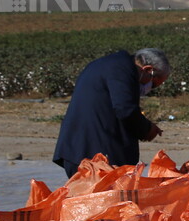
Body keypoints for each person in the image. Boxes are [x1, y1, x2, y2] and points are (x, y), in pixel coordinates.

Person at [52, 48, 170, 178]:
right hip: (92, 154)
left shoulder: (110, 64)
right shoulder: (122, 69)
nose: (149, 88)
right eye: (153, 84)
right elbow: (125, 109)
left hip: (79, 149)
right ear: (148, 70)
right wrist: (147, 129)